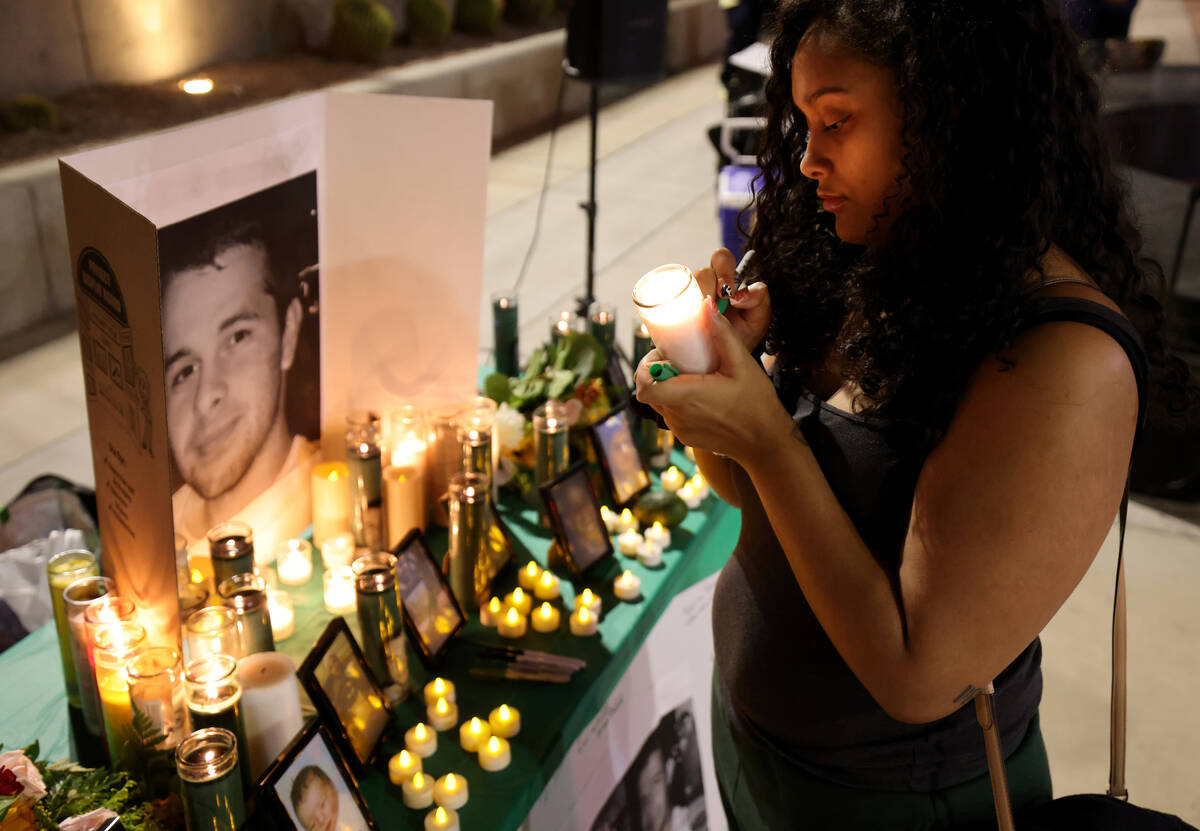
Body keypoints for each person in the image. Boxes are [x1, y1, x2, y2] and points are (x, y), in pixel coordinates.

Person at [634, 1, 1195, 828]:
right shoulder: (872, 260)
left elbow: (917, 676)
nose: (809, 160)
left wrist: (769, 436)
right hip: (761, 756)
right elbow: (747, 494)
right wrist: (728, 377)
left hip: (897, 802)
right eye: (801, 122)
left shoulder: (1064, 358)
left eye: (836, 121)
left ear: (949, 113)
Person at [160, 201, 319, 566]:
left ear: (289, 333)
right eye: (184, 371)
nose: (205, 398)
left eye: (237, 337)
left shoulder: (331, 499)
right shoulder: (150, 545)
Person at [290, 765, 339, 831]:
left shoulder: (349, 804)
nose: (321, 820)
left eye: (322, 805)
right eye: (313, 825)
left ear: (332, 787)